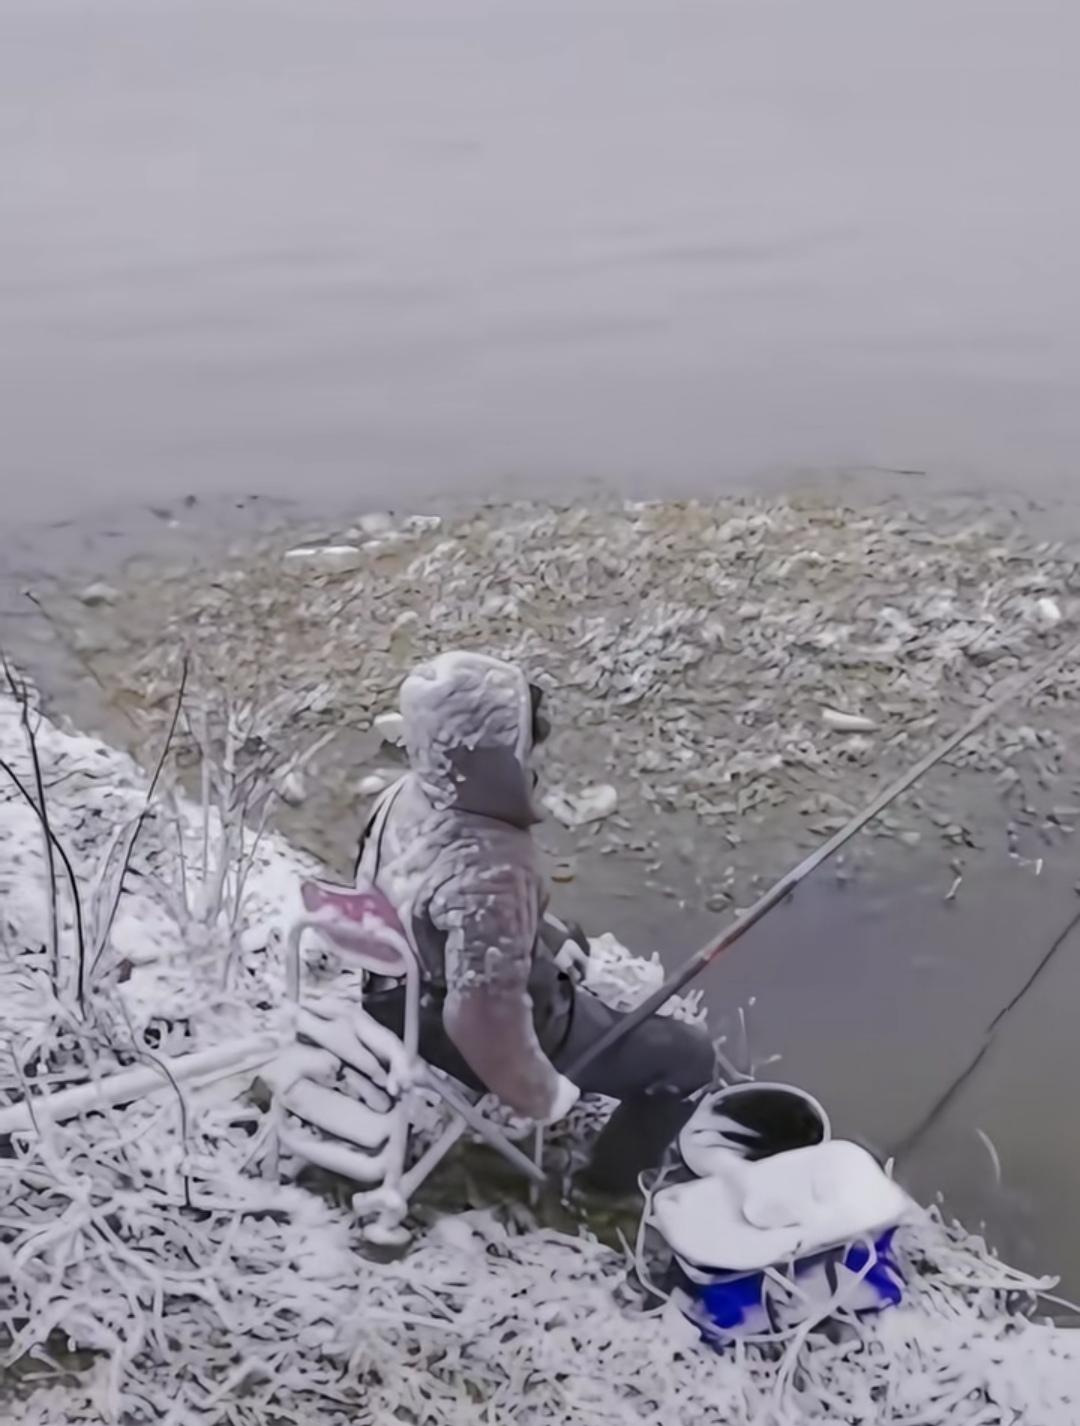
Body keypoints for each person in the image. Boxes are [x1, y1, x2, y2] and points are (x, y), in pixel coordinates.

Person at [356, 650, 714, 1194]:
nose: (529, 760)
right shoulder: (490, 862)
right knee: (688, 1059)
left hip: (393, 989)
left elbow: (431, 905)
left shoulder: (403, 796)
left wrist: (540, 939)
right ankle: (604, 1192)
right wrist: (540, 1092)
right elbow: (481, 1020)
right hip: (458, 1020)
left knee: (567, 938)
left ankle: (575, 993)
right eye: (521, 745)